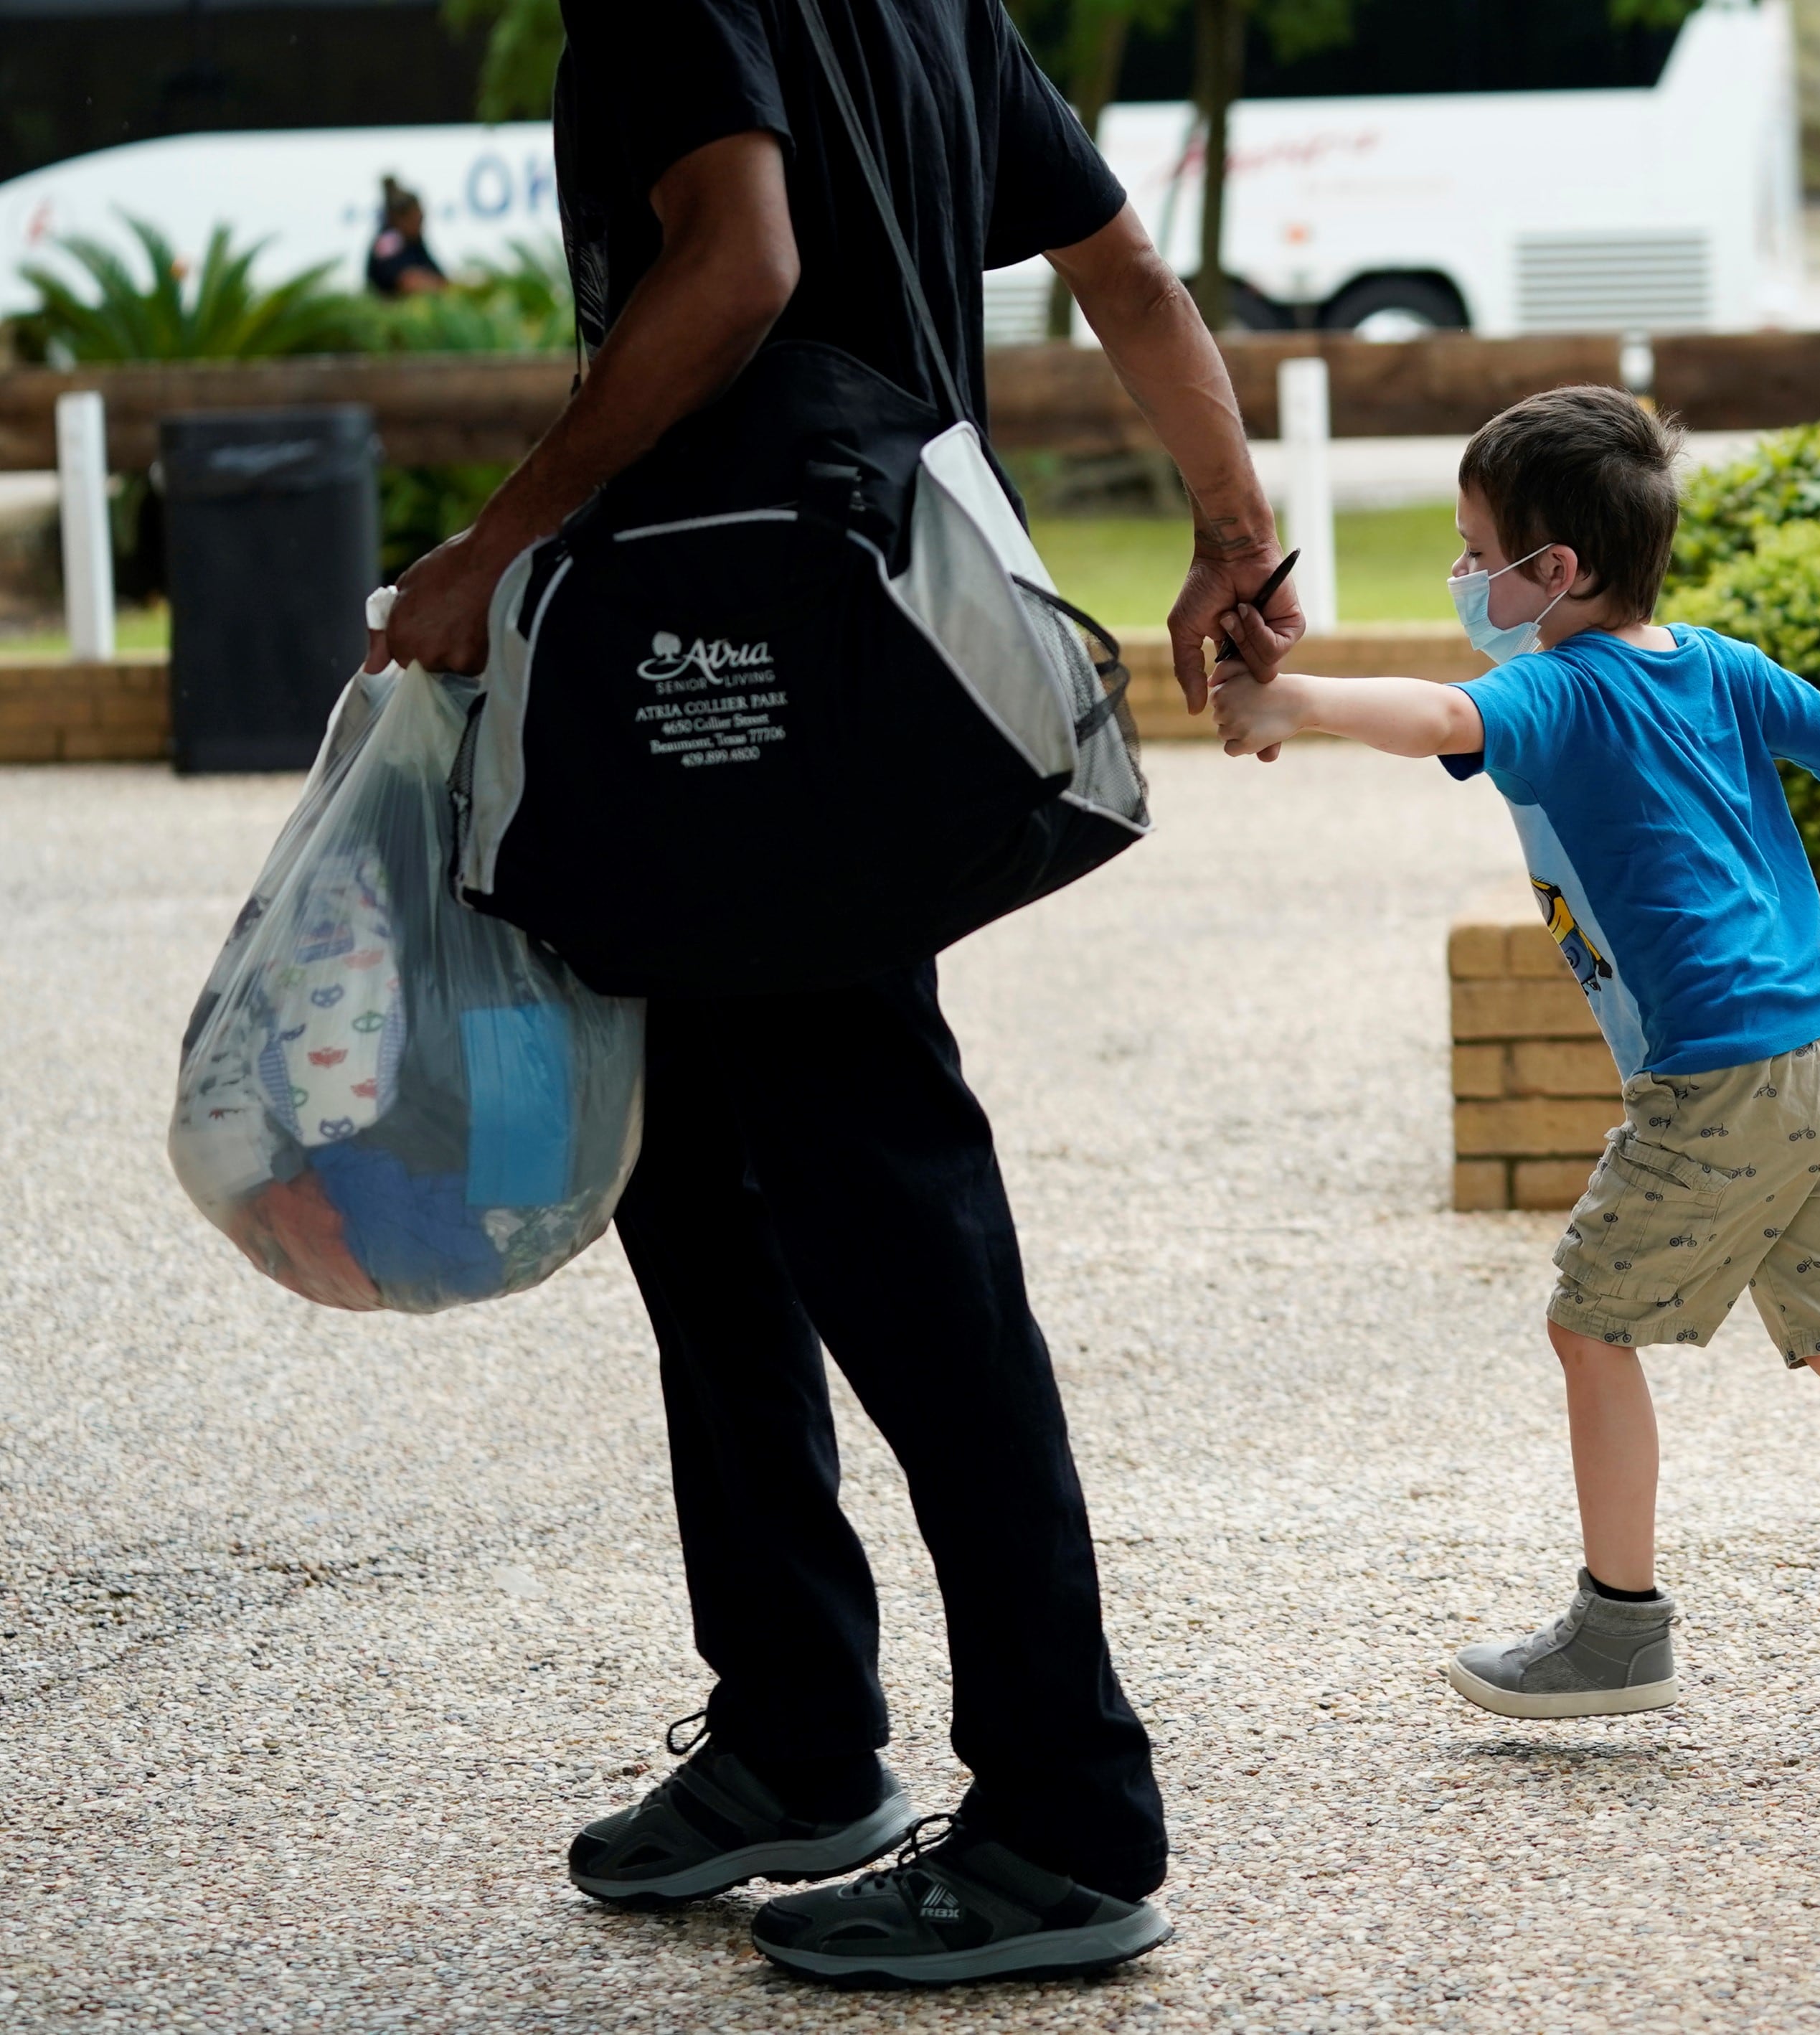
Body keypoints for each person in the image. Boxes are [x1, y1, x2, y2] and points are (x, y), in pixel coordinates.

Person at [369, 0, 1301, 1988]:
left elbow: (743, 260)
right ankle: (796, 1729)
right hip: (835, 635)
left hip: (751, 674)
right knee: (697, 1200)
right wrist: (1235, 530)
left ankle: (1068, 1810)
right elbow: (1122, 268)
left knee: (901, 1235)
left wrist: (496, 537)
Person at [1209, 387, 1820, 1723]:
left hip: (1721, 1075)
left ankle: (1618, 1630)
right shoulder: (1715, 664)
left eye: (1478, 554)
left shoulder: (1559, 694)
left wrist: (1289, 696)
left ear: (1557, 572)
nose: (1464, 578)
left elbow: (1435, 715)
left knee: (1590, 1324)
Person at [365, 178, 448, 297]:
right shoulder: (388, 242)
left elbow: (440, 277)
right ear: (401, 220)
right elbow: (408, 282)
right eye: (418, 221)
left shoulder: (415, 241)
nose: (422, 226)